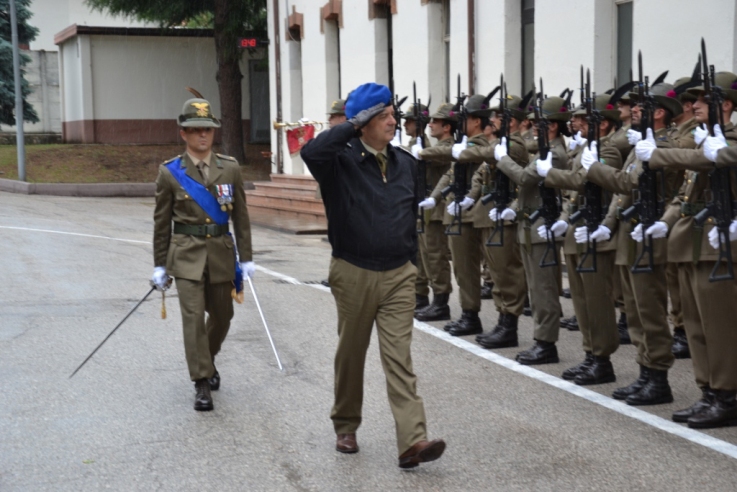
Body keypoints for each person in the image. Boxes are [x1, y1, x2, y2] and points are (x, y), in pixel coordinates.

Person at [300, 82, 446, 468]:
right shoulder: (338, 162)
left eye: (392, 115)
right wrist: (350, 126)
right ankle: (346, 425)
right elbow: (310, 150)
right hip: (353, 271)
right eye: (383, 116)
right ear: (362, 122)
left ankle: (412, 441)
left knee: (399, 357)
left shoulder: (407, 164)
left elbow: (409, 217)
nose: (392, 121)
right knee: (351, 353)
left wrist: (411, 262)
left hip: (399, 274)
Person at [640, 71, 737, 428]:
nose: (693, 105)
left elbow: (711, 160)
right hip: (692, 240)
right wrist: (665, 221)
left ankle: (727, 395)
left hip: (721, 242)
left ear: (725, 105)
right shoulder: (705, 142)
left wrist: (660, 153)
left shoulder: (727, 141)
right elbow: (685, 193)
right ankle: (708, 391)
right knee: (695, 324)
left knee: (720, 325)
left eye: (702, 100)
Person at [152, 96, 254, 411]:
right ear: (183, 132)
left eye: (207, 130)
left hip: (221, 254)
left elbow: (241, 216)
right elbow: (162, 222)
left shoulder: (230, 168)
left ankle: (206, 360)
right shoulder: (170, 172)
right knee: (193, 318)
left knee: (223, 316)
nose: (202, 136)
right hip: (185, 257)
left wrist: (247, 257)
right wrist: (159, 265)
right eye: (195, 130)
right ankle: (201, 383)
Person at [585, 83, 682, 404]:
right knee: (636, 311)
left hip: (648, 234)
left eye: (641, 107)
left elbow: (629, 181)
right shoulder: (642, 145)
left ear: (658, 113)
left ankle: (658, 378)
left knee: (650, 310)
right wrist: (609, 224)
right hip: (629, 235)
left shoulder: (662, 145)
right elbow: (624, 194)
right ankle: (645, 372)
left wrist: (595, 169)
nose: (634, 111)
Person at [538, 93, 623, 385]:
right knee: (582, 301)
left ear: (603, 123)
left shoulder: (608, 151)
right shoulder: (585, 149)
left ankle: (602, 360)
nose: (574, 122)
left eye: (582, 118)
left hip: (596, 234)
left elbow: (581, 181)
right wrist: (563, 221)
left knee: (598, 302)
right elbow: (574, 197)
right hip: (578, 233)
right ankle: (590, 355)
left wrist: (548, 173)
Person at [494, 95, 569, 365]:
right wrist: (514, 206)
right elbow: (527, 188)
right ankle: (541, 340)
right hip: (530, 226)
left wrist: (502, 159)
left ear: (553, 126)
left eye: (541, 123)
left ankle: (546, 344)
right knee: (536, 289)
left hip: (542, 228)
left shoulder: (556, 154)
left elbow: (524, 178)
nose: (535, 127)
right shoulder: (543, 150)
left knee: (544, 290)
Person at [459, 93, 530, 349]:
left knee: (507, 271)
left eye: (499, 116)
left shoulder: (515, 145)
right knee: (497, 273)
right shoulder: (501, 144)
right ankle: (502, 322)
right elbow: (483, 171)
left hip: (506, 218)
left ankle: (509, 326)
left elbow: (490, 155)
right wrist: (470, 197)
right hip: (491, 215)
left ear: (511, 120)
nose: (493, 119)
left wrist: (464, 151)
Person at [420, 94, 494, 336]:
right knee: (463, 269)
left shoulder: (483, 144)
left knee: (491, 269)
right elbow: (450, 175)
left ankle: (501, 320)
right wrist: (436, 197)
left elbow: (475, 159)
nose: (461, 124)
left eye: (465, 119)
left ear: (475, 121)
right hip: (459, 214)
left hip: (477, 214)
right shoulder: (465, 144)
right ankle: (469, 314)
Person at [413, 103, 456, 322]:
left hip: (438, 208)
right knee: (426, 255)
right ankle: (432, 299)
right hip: (429, 206)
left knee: (436, 255)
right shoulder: (437, 145)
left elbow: (440, 155)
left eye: (435, 122)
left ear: (447, 127)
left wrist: (420, 152)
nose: (430, 124)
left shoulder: (449, 146)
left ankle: (441, 302)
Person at [317, 99, 348, 287]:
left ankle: (340, 275)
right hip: (333, 192)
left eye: (334, 116)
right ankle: (336, 274)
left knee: (342, 236)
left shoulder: (347, 140)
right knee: (335, 235)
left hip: (344, 194)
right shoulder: (333, 138)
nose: (329, 119)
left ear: (344, 118)